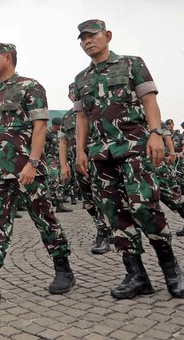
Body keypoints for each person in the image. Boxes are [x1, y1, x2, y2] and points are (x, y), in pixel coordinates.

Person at [74, 19, 184, 299]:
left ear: (107, 36)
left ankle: (171, 268)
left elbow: (149, 100)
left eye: (92, 35)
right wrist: (80, 150)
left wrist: (156, 134)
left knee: (144, 206)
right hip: (101, 154)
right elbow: (81, 117)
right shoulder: (80, 79)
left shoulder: (131, 64)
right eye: (82, 38)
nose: (87, 41)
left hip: (134, 147)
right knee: (115, 214)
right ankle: (136, 276)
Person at [0, 42, 74, 303]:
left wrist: (33, 163)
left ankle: (63, 269)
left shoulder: (30, 86)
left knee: (45, 220)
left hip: (27, 169)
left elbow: (40, 126)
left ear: (7, 58)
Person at [59, 83, 111, 254]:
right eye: (72, 94)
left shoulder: (95, 110)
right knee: (88, 201)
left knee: (106, 197)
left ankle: (109, 232)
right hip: (79, 165)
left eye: (77, 93)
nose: (75, 96)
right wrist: (64, 164)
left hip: (99, 161)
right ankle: (102, 227)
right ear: (69, 97)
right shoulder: (66, 118)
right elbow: (63, 141)